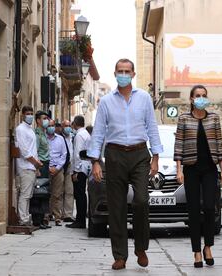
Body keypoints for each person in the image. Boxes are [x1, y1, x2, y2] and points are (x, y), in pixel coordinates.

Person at [88, 58, 163, 270]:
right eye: (120, 71)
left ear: (133, 74)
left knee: (141, 201)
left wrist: (155, 157)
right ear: (115, 73)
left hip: (140, 153)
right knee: (116, 207)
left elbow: (152, 126)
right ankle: (120, 255)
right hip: (114, 155)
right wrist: (96, 161)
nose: (123, 74)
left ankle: (141, 248)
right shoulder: (106, 102)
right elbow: (99, 132)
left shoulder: (144, 99)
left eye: (127, 71)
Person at [174, 85, 222, 268]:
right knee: (194, 210)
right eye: (197, 95)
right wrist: (179, 170)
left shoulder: (214, 118)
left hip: (210, 169)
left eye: (204, 95)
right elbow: (179, 145)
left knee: (209, 207)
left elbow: (219, 145)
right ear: (191, 99)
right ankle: (196, 252)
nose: (201, 98)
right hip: (191, 169)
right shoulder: (183, 119)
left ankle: (208, 247)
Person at [15, 106, 42, 225]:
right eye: (28, 113)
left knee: (28, 194)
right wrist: (35, 162)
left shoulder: (30, 129)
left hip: (31, 167)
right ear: (23, 115)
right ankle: (23, 218)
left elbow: (33, 149)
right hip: (25, 166)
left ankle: (26, 217)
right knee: (25, 194)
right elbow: (24, 150)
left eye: (32, 113)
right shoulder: (20, 129)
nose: (30, 116)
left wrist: (36, 166)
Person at [66, 115, 91, 229]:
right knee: (82, 194)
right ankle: (80, 219)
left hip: (80, 168)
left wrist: (76, 171)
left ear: (75, 123)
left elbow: (77, 154)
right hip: (85, 167)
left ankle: (80, 220)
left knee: (79, 194)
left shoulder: (79, 135)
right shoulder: (86, 134)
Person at [46, 119, 67, 226]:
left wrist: (57, 168)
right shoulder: (43, 138)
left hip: (58, 169)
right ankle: (46, 215)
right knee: (45, 193)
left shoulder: (60, 139)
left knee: (57, 193)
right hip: (46, 168)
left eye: (53, 125)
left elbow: (64, 155)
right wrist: (48, 167)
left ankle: (57, 217)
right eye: (49, 125)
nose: (51, 127)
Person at [61, 120, 75, 222]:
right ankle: (58, 212)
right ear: (62, 127)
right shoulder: (59, 138)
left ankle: (68, 214)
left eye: (69, 126)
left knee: (69, 190)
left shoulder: (73, 137)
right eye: (66, 126)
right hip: (61, 165)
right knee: (59, 190)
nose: (68, 128)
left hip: (70, 165)